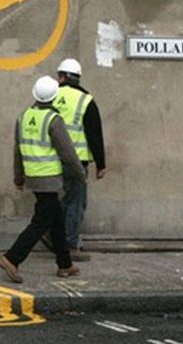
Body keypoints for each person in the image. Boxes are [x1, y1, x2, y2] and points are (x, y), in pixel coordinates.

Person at [0, 75, 87, 283]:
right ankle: (12, 258)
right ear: (54, 97)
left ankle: (65, 264)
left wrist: (19, 177)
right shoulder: (54, 119)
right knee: (41, 222)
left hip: (33, 177)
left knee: (56, 220)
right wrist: (80, 175)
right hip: (49, 178)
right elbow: (68, 153)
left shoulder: (24, 117)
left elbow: (17, 150)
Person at [53, 57, 106, 261]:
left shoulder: (50, 96)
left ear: (62, 77)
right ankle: (70, 246)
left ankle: (55, 238)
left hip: (50, 160)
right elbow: (94, 134)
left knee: (55, 202)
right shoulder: (86, 100)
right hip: (77, 162)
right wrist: (100, 164)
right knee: (75, 203)